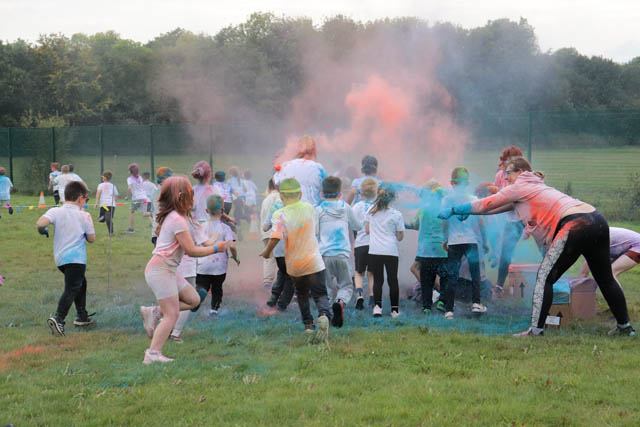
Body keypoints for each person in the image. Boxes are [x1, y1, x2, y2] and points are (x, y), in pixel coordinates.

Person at [439, 157, 636, 337]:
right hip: (596, 219)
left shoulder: (521, 183)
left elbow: (489, 202)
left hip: (575, 224)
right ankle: (625, 327)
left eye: (508, 174)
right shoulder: (532, 186)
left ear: (521, 171)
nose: (505, 178)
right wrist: (472, 213)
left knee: (544, 278)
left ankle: (536, 330)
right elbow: (496, 208)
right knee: (605, 277)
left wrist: (457, 209)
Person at [140, 176, 233, 364]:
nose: (194, 198)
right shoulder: (177, 220)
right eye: (191, 194)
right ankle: (152, 354)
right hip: (160, 270)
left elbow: (202, 240)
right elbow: (191, 250)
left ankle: (155, 312)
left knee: (194, 299)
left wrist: (215, 240)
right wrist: (217, 248)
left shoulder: (182, 217)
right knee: (172, 313)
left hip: (167, 270)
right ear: (182, 196)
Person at [260, 178, 331, 345]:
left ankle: (308, 325)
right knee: (320, 294)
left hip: (295, 265)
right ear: (300, 194)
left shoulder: (279, 214)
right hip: (313, 261)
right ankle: (323, 315)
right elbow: (316, 231)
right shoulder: (309, 208)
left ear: (282, 197)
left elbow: (275, 236)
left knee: (302, 295)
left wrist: (266, 251)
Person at [36, 181, 96, 336]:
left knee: (81, 283)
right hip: (77, 259)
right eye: (86, 200)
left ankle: (82, 316)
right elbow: (91, 239)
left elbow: (40, 223)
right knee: (72, 287)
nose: (85, 203)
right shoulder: (85, 215)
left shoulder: (56, 211)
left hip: (61, 259)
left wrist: (43, 230)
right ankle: (58, 319)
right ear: (81, 198)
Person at [439, 167, 488, 320]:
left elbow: (445, 222)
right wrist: (485, 242)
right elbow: (481, 223)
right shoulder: (473, 199)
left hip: (454, 242)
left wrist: (445, 238)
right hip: (471, 241)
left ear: (452, 182)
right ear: (467, 183)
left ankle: (449, 310)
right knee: (475, 275)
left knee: (452, 275)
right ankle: (476, 304)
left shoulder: (446, 200)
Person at [316, 176, 361, 327]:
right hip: (342, 254)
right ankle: (340, 302)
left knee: (326, 287)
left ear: (322, 193)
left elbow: (315, 233)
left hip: (325, 255)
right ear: (340, 192)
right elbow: (357, 226)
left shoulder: (319, 210)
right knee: (346, 286)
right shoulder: (346, 208)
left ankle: (326, 316)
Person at [405, 180, 449, 315]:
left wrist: (403, 224)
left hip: (425, 251)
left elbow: (415, 225)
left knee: (426, 281)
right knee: (443, 277)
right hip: (442, 250)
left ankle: (427, 308)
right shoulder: (445, 210)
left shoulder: (423, 210)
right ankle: (443, 300)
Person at [192, 195, 239, 318]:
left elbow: (195, 244)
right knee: (217, 288)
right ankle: (214, 309)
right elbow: (232, 247)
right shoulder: (225, 228)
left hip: (203, 265)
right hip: (220, 267)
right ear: (222, 212)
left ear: (206, 211)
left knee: (201, 286)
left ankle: (196, 301)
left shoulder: (201, 227)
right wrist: (235, 258)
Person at [365, 183, 405, 318]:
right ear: (393, 197)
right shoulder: (397, 215)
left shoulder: (371, 211)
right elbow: (400, 237)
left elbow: (367, 230)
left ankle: (377, 307)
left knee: (378, 280)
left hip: (375, 250)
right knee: (392, 280)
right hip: (391, 251)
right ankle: (394, 310)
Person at [494, 146, 525, 293]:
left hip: (522, 219)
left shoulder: (523, 175)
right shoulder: (500, 175)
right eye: (509, 160)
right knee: (505, 251)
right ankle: (500, 285)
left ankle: (548, 280)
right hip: (508, 219)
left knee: (544, 246)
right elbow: (497, 194)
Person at [263, 192, 295, 311]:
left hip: (278, 249)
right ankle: (282, 304)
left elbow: (265, 227)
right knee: (291, 277)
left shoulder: (274, 207)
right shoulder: (297, 208)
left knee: (282, 272)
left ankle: (273, 297)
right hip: (292, 248)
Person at [273, 136, 327, 207]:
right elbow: (326, 188)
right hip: (312, 210)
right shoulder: (318, 168)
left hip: (290, 209)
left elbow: (275, 182)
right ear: (313, 150)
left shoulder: (286, 165)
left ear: (298, 149)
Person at [351, 178, 379, 309]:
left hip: (360, 243)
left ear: (361, 194)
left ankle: (360, 294)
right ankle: (372, 297)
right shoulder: (378, 207)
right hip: (375, 244)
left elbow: (353, 225)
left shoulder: (356, 207)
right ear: (376, 193)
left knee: (359, 272)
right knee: (372, 272)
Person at [260, 179, 280, 290]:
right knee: (283, 259)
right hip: (277, 233)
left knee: (268, 258)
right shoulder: (280, 198)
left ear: (269, 188)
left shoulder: (266, 200)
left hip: (266, 233)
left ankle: (267, 283)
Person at [150, 167, 173, 246]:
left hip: (156, 231)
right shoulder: (169, 193)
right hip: (165, 232)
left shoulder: (154, 193)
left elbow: (150, 212)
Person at [94, 171, 118, 236]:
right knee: (109, 218)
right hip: (112, 205)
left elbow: (98, 193)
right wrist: (114, 202)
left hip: (104, 205)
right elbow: (116, 197)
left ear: (104, 178)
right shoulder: (113, 186)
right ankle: (111, 232)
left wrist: (96, 203)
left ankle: (111, 232)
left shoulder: (100, 185)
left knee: (101, 219)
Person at [126, 163, 149, 233]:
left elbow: (129, 188)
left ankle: (131, 228)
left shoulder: (129, 179)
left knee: (132, 211)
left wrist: (127, 196)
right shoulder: (140, 178)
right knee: (144, 213)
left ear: (131, 171)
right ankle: (154, 214)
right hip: (144, 198)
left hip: (136, 199)